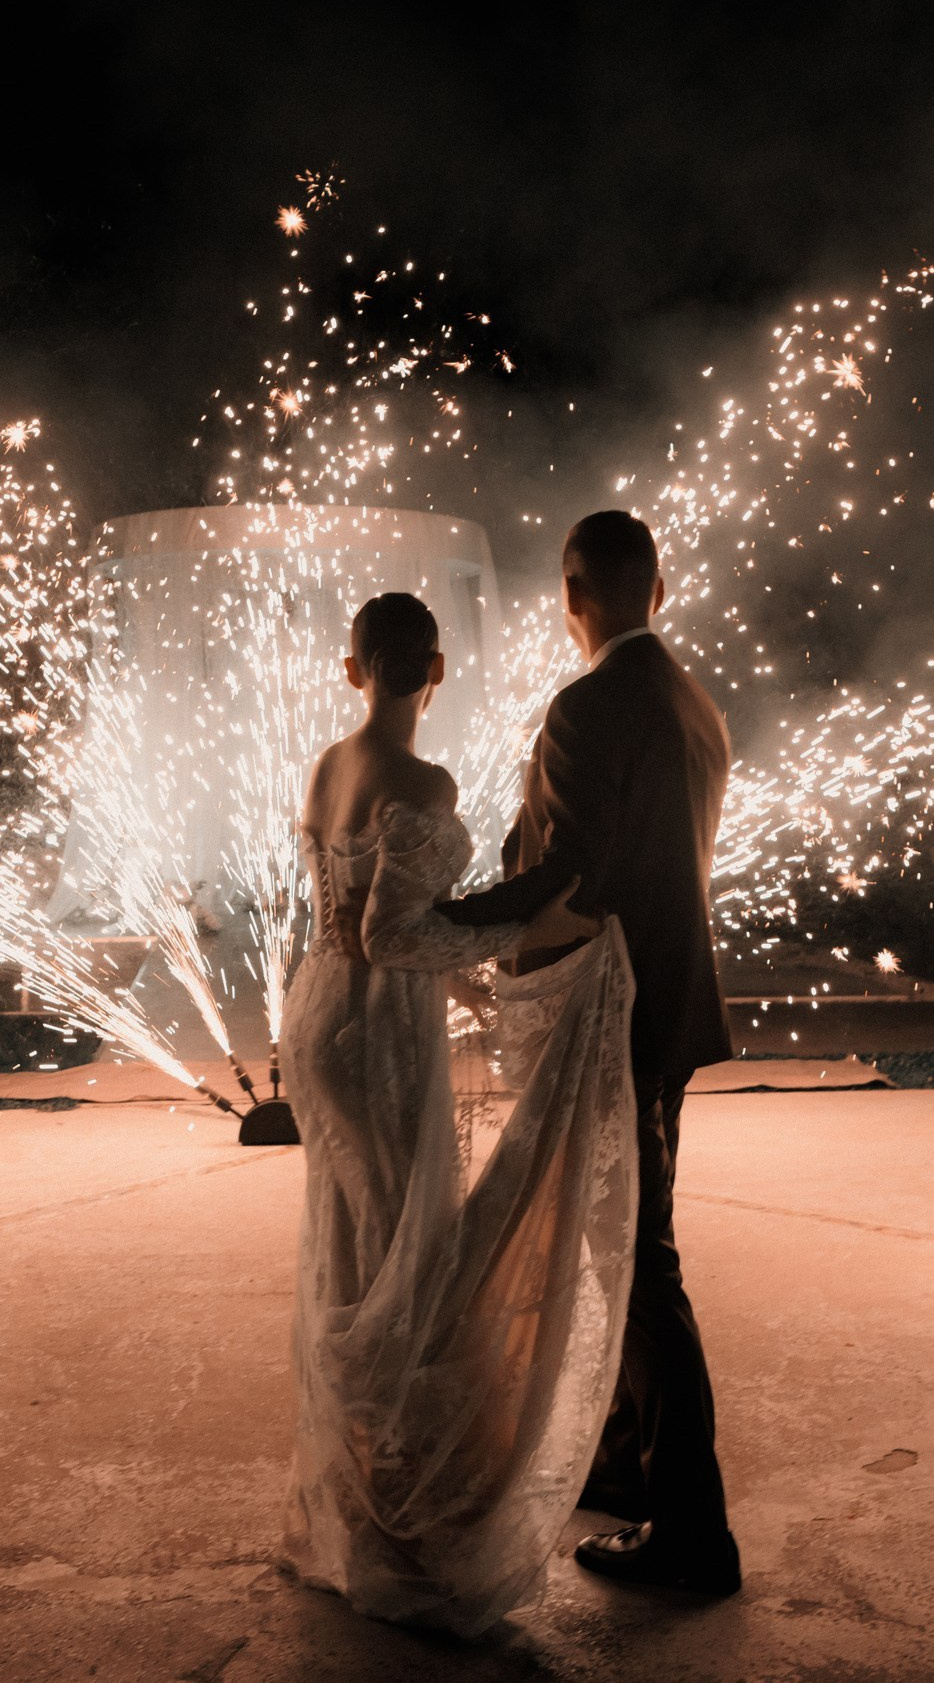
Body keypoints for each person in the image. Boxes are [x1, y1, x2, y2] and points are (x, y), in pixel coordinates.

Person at [278, 591, 641, 1636]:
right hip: (378, 1040)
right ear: (432, 668)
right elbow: (396, 936)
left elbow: (345, 920)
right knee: (415, 1269)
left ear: (354, 672)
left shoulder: (327, 766)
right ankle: (406, 1523)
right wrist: (531, 923)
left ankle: (359, 1509)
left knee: (357, 1252)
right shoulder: (420, 781)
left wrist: (465, 985)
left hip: (317, 1023)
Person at [433, 510, 742, 1596]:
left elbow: (564, 875)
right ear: (657, 587)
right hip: (672, 1008)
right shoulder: (692, 700)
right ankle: (623, 1462)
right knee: (626, 1235)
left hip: (612, 1016)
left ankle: (693, 1532)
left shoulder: (589, 705)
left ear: (572, 593)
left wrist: (443, 924)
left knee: (642, 1263)